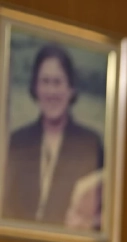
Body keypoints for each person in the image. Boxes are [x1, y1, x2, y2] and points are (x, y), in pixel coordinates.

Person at [2, 43, 103, 228]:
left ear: (71, 89)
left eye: (57, 82)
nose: (51, 92)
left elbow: (105, 215)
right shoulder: (17, 142)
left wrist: (90, 223)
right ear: (35, 88)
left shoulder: (90, 144)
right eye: (45, 81)